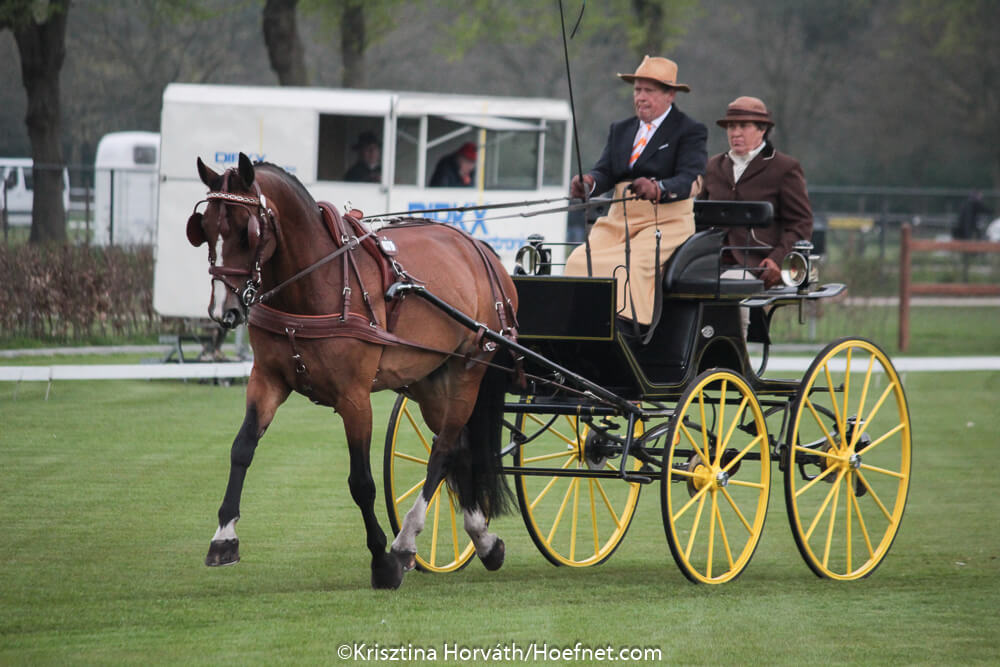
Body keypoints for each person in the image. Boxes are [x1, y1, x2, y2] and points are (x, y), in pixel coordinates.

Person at [565, 55, 707, 326]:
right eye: (637, 90)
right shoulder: (621, 129)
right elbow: (605, 171)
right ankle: (580, 327)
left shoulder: (689, 131)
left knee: (625, 268)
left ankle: (630, 330)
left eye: (648, 91)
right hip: (619, 219)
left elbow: (690, 177)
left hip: (666, 222)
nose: (640, 97)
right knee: (577, 261)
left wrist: (658, 188)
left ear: (670, 95)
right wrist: (589, 183)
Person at [700, 96, 813, 289]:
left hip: (755, 262)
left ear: (762, 129)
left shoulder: (784, 168)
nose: (735, 133)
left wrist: (777, 259)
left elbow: (801, 223)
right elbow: (698, 217)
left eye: (744, 126)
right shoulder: (714, 166)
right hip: (710, 260)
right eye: (731, 127)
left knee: (730, 291)